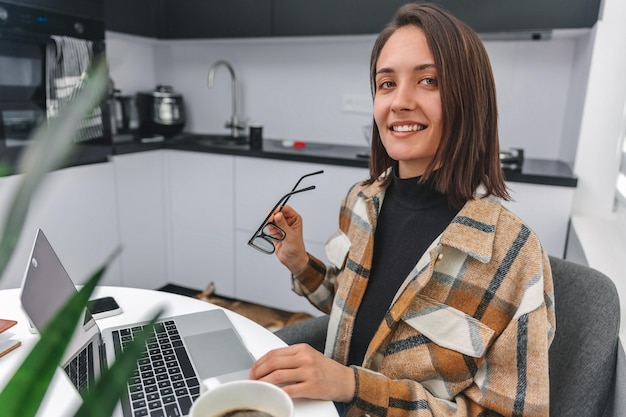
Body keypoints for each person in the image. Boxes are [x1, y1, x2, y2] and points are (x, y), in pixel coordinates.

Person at [248, 3, 556, 416]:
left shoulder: (515, 257)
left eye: (428, 81)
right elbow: (355, 314)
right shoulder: (359, 201)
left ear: (469, 98)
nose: (400, 102)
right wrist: (300, 262)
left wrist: (352, 385)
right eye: (387, 83)